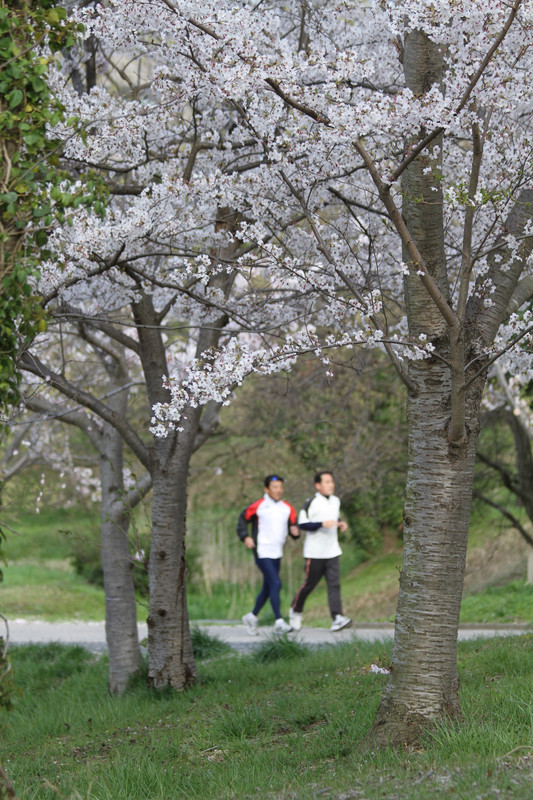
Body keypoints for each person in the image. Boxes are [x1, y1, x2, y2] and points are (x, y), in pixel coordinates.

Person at [289, 470, 352, 632]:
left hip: (332, 551)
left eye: (332, 481)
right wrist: (321, 524)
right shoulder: (311, 502)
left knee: (334, 585)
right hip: (314, 553)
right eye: (327, 482)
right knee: (309, 585)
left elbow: (333, 517)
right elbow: (302, 524)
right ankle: (296, 611)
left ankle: (337, 617)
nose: (331, 485)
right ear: (318, 485)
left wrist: (340, 523)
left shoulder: (336, 501)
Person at [237, 474, 299, 635]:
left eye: (280, 487)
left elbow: (294, 527)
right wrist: (245, 536)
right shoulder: (258, 506)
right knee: (276, 583)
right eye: (275, 487)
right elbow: (242, 519)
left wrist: (295, 532)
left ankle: (252, 616)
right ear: (266, 489)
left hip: (277, 551)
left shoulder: (287, 508)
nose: (278, 490)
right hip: (261, 550)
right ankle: (278, 621)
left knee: (268, 587)